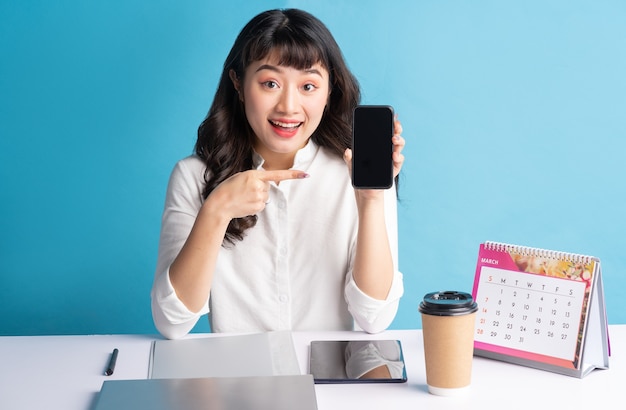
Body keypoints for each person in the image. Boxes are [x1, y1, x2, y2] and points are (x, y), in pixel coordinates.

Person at [151, 8, 406, 340]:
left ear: (330, 91)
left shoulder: (357, 174)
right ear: (239, 84)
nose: (288, 106)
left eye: (308, 86)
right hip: (238, 381)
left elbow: (375, 318)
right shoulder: (193, 176)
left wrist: (371, 201)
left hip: (327, 383)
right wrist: (217, 210)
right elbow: (172, 322)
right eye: (270, 83)